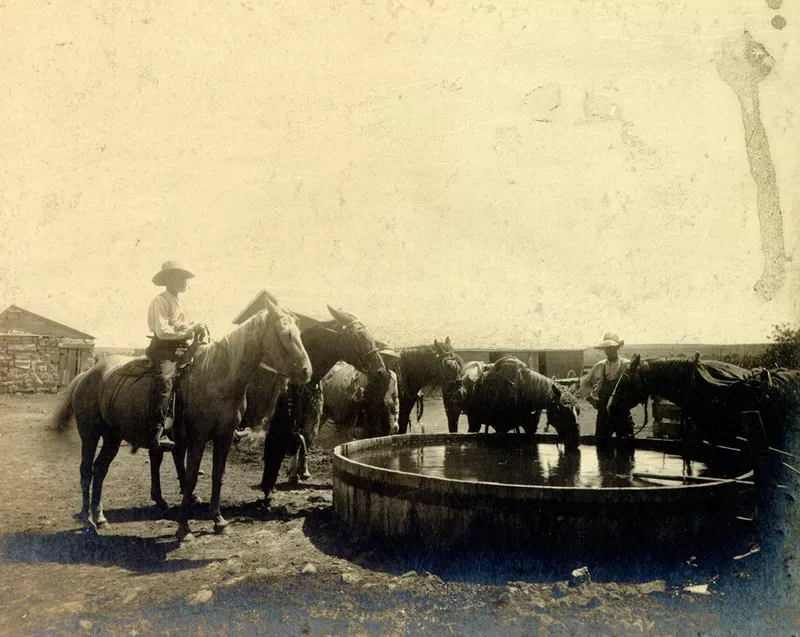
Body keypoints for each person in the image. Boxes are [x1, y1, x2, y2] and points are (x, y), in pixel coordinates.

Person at [146, 261, 208, 450]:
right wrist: (189, 331)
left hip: (183, 349)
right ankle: (157, 431)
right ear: (169, 279)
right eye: (180, 277)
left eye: (185, 278)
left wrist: (198, 329)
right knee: (165, 379)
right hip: (163, 350)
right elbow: (162, 331)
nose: (184, 281)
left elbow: (187, 326)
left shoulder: (183, 303)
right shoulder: (160, 301)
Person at [579, 332, 634, 442]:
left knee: (626, 449)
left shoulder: (627, 365)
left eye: (611, 348)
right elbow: (584, 383)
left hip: (622, 415)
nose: (608, 351)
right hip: (603, 416)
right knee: (601, 447)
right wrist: (591, 400)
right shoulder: (599, 366)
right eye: (606, 348)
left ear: (617, 347)